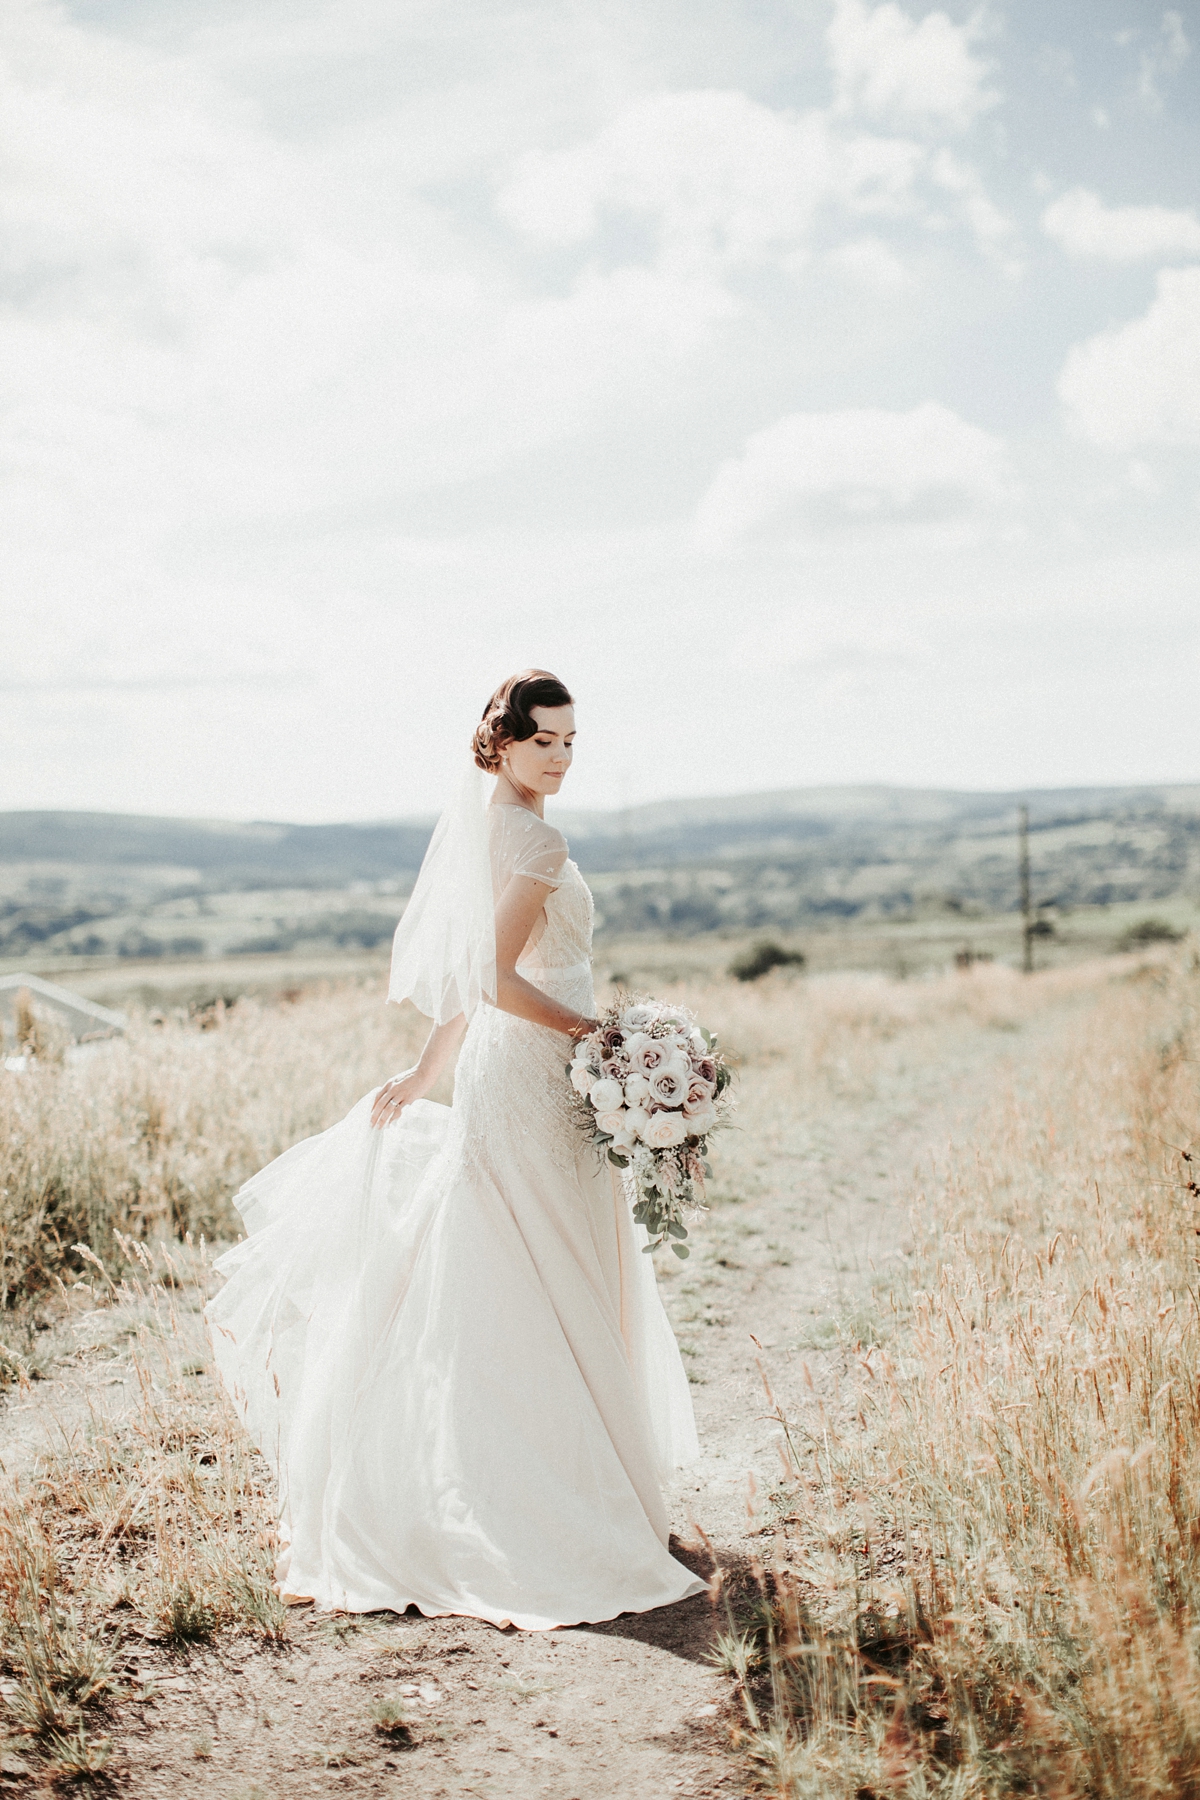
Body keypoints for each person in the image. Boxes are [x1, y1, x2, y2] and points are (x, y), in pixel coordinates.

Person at [206, 669, 705, 1630]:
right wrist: (591, 1035)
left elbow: (469, 987)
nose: (559, 758)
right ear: (503, 743)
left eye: (569, 742)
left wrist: (428, 1071)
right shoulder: (540, 839)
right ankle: (553, 1502)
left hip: (504, 1070)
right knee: (547, 1268)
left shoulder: (487, 826)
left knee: (509, 1264)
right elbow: (492, 975)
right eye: (543, 742)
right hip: (533, 1074)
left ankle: (519, 1481)